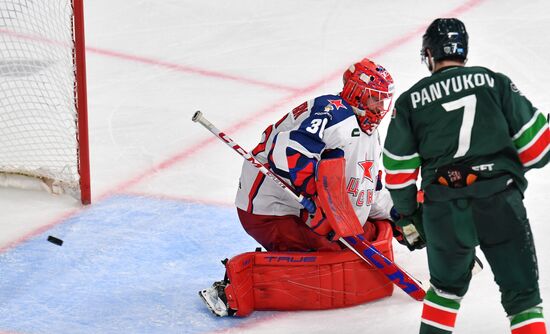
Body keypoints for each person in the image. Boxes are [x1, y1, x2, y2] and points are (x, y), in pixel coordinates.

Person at [199, 58, 424, 317]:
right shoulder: (332, 113)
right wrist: (315, 198)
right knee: (333, 246)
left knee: (364, 234)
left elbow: (368, 190)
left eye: (384, 100)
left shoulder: (370, 133)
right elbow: (287, 153)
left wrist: (399, 218)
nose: (381, 107)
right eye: (375, 99)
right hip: (270, 209)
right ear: (357, 94)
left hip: (311, 209)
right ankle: (237, 283)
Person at [383, 18, 550, 334]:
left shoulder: (410, 101)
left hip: (444, 207)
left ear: (429, 54)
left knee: (444, 293)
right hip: (500, 200)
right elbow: (539, 151)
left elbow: (398, 171)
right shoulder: (494, 82)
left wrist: (408, 213)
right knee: (523, 301)